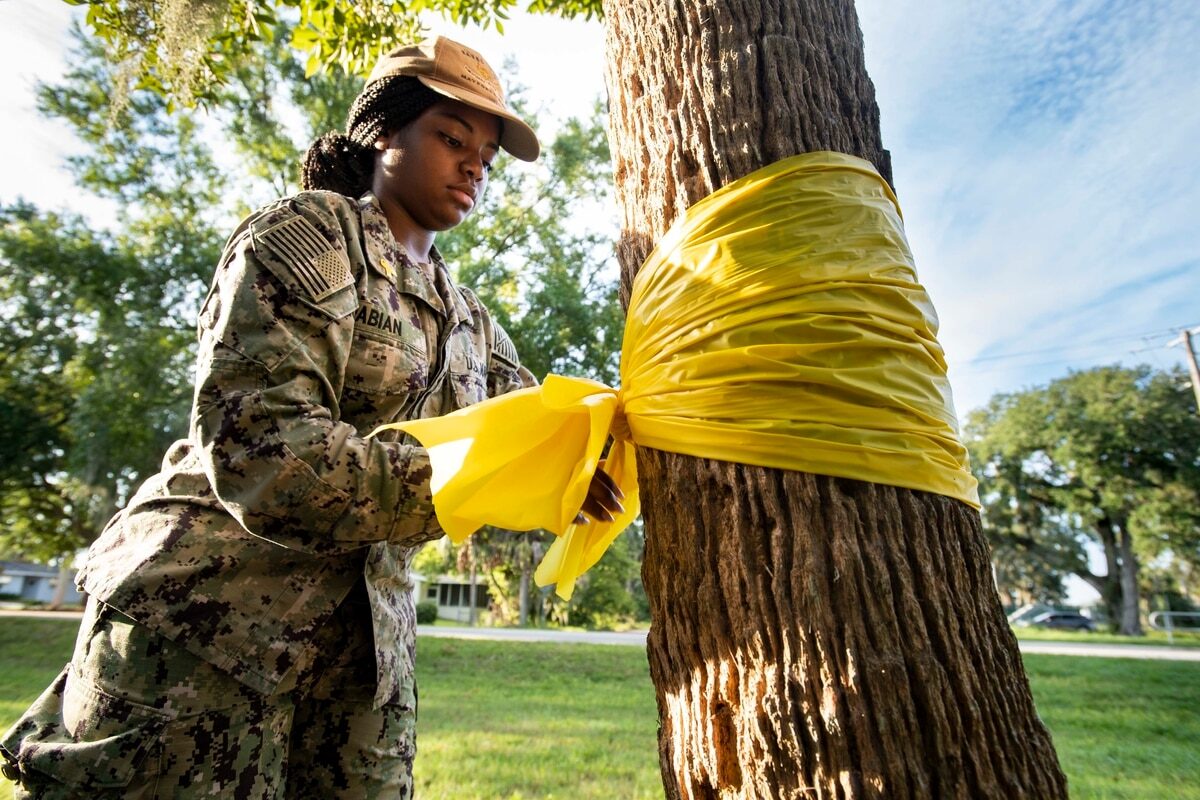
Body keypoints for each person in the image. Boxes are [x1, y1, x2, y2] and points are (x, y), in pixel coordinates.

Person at [1, 35, 623, 799]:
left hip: (361, 672)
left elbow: (543, 428)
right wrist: (477, 476)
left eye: (486, 157)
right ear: (385, 134)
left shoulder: (469, 321)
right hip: (202, 633)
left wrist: (587, 456)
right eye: (452, 138)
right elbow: (268, 458)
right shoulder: (307, 238)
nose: (474, 166)